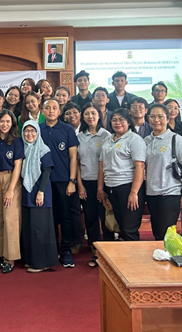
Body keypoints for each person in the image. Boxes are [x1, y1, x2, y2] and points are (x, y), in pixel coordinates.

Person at [40, 99, 80, 267]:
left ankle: (66, 251)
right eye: (47, 108)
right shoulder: (37, 129)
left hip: (63, 180)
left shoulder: (67, 129)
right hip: (42, 182)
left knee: (65, 217)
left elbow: (73, 157)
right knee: (48, 218)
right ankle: (51, 251)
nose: (51, 111)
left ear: (59, 111)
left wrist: (72, 181)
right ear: (42, 111)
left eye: (54, 108)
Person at [145, 104, 182, 241]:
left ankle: (170, 258)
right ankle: (162, 258)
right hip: (151, 192)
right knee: (157, 231)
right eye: (153, 116)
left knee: (167, 233)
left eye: (160, 117)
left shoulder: (176, 139)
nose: (156, 120)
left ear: (167, 119)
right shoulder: (146, 141)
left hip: (170, 193)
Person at [97, 109, 146, 241]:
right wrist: (100, 189)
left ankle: (132, 260)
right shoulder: (107, 140)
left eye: (121, 120)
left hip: (127, 187)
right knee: (111, 225)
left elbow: (140, 166)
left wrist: (134, 192)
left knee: (128, 228)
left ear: (128, 122)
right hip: (110, 187)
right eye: (114, 120)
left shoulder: (135, 140)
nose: (117, 123)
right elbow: (102, 165)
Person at [0, 110, 24, 274]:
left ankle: (11, 257)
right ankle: (0, 255)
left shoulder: (16, 141)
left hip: (11, 179)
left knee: (10, 219)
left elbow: (18, 166)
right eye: (2, 121)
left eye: (8, 121)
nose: (5, 124)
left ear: (12, 123)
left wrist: (10, 190)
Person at [20, 120, 58, 273]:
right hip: (27, 193)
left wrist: (40, 192)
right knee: (29, 228)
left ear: (38, 132)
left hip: (40, 193)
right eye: (26, 131)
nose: (30, 134)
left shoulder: (44, 149)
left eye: (33, 131)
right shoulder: (22, 149)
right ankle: (31, 260)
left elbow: (47, 171)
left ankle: (42, 262)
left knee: (40, 228)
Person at [76, 103, 111, 267]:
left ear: (99, 116)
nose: (90, 116)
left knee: (105, 218)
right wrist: (80, 186)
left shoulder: (107, 136)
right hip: (86, 182)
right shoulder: (79, 136)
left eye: (93, 113)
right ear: (83, 117)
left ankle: (109, 252)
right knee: (90, 218)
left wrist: (101, 188)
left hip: (103, 183)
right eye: (87, 113)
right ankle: (95, 251)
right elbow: (75, 162)